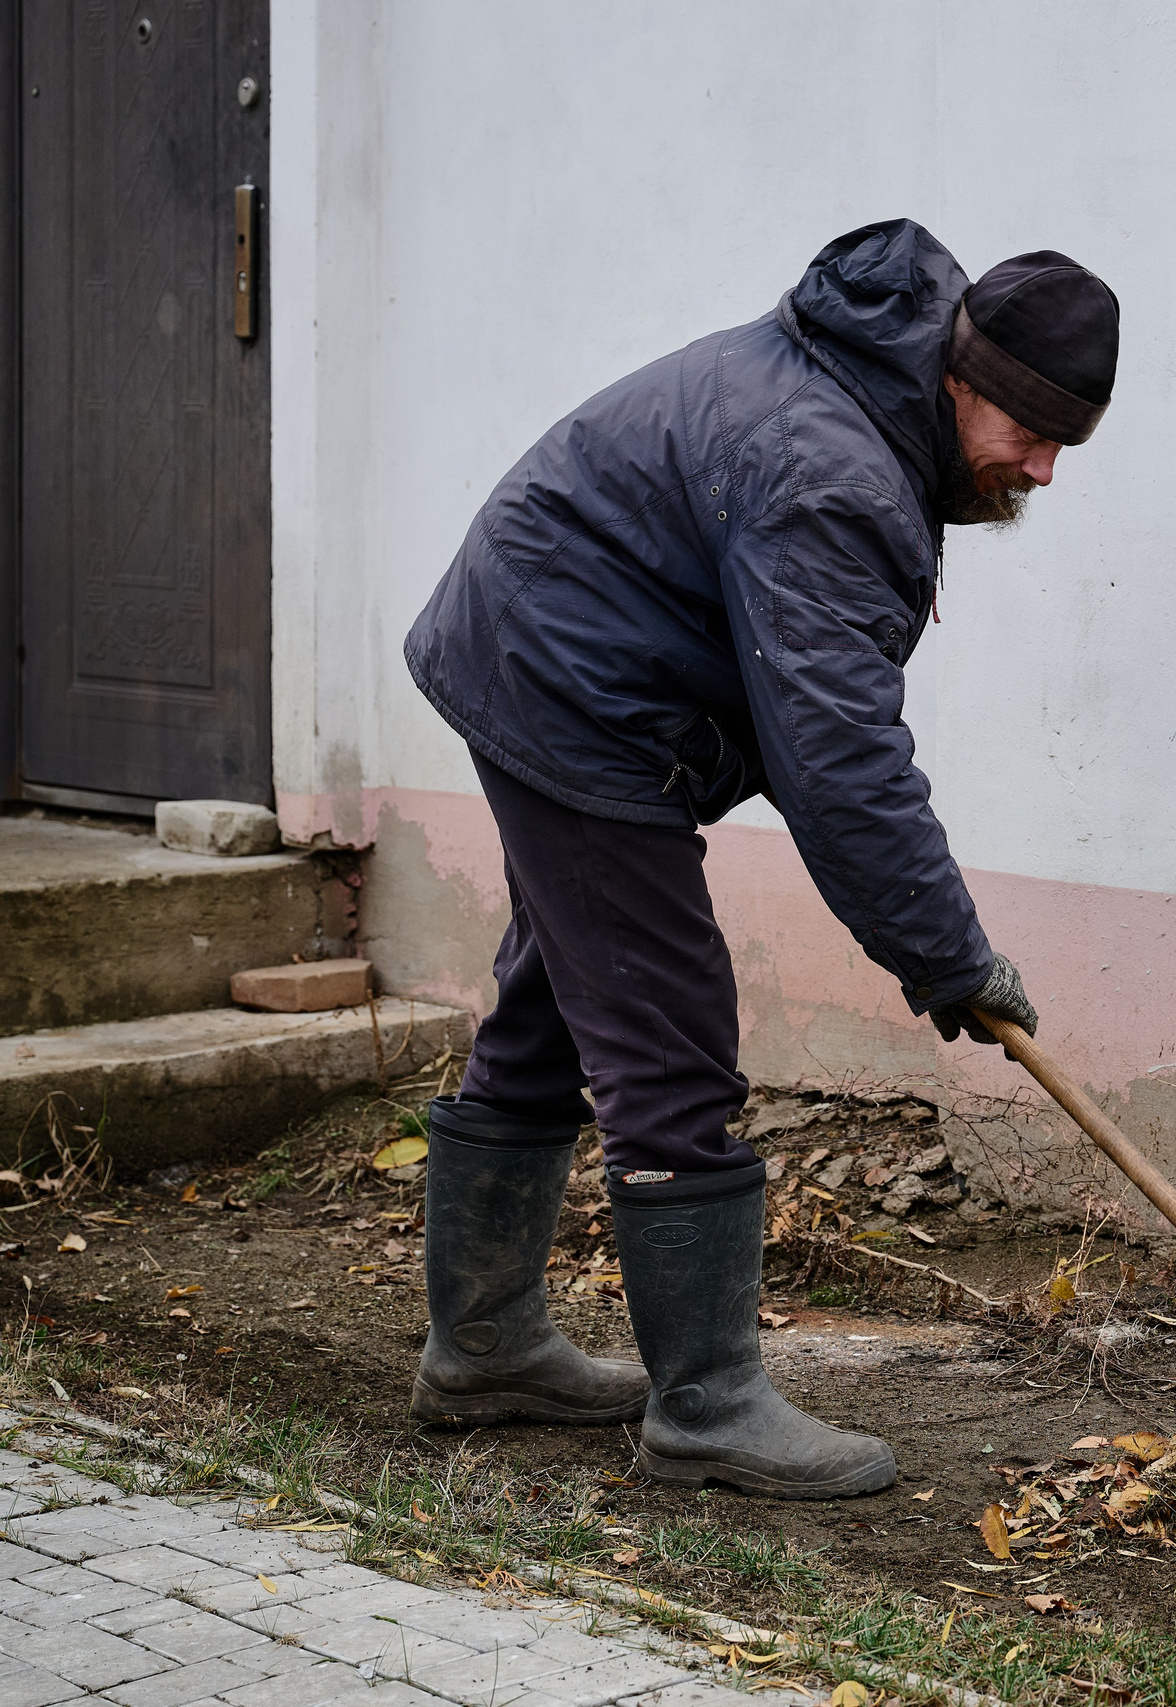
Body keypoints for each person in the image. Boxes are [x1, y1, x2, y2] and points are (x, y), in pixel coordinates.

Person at [400, 220, 1118, 1498]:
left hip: (552, 644)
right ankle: (709, 1405)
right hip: (570, 682)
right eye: (1027, 433)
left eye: (1070, 441)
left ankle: (488, 1347)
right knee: (663, 1020)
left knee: (564, 992)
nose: (1045, 471)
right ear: (961, 378)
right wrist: (949, 959)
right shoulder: (829, 473)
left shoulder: (882, 382)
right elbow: (838, 762)